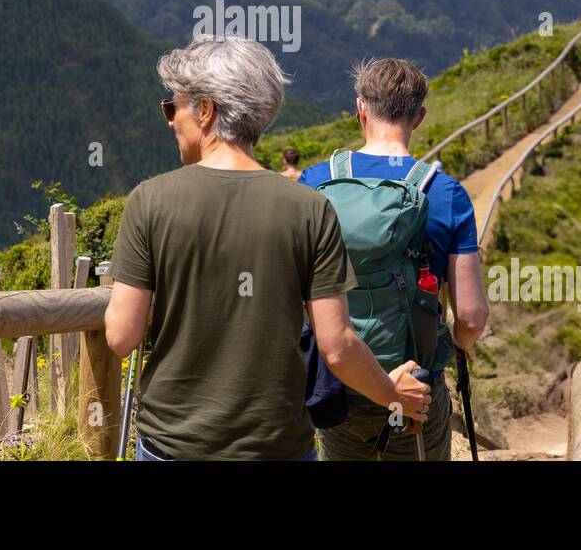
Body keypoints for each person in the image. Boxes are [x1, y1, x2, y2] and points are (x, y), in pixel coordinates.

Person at [105, 36, 429, 460]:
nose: (170, 121)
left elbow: (121, 336)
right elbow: (338, 346)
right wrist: (393, 396)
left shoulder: (150, 200)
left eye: (173, 107)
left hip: (173, 442)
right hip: (277, 445)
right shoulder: (310, 209)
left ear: (205, 110)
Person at [299, 57, 489, 460]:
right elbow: (471, 316)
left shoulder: (314, 183)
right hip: (415, 386)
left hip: (336, 384)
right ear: (418, 117)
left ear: (360, 110)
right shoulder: (446, 193)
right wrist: (456, 343)